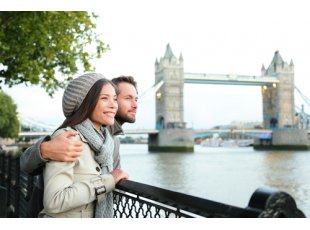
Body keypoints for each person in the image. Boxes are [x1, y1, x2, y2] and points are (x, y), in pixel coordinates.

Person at [20, 75, 138, 217]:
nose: (135, 104)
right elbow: (26, 165)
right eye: (127, 98)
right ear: (88, 100)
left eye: (136, 99)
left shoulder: (111, 141)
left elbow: (114, 185)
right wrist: (44, 149)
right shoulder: (70, 135)